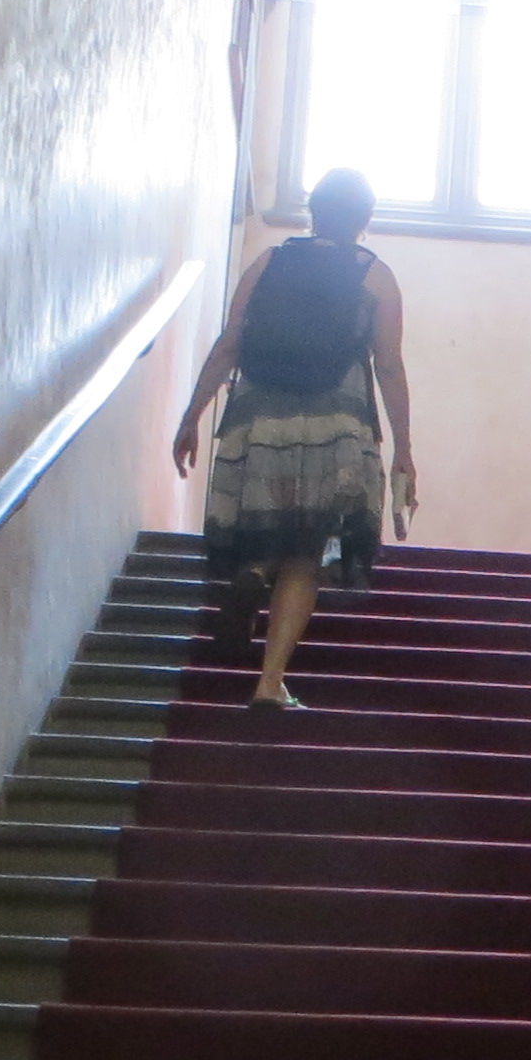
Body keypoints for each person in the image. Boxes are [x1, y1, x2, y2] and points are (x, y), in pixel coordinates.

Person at [170, 167, 418, 709]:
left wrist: (192, 416)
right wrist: (403, 449)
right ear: (365, 220)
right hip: (337, 422)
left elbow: (230, 344)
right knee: (307, 551)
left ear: (313, 213)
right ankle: (270, 682)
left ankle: (254, 571)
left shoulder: (269, 262)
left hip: (259, 416)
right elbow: (389, 365)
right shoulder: (375, 275)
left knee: (265, 532)